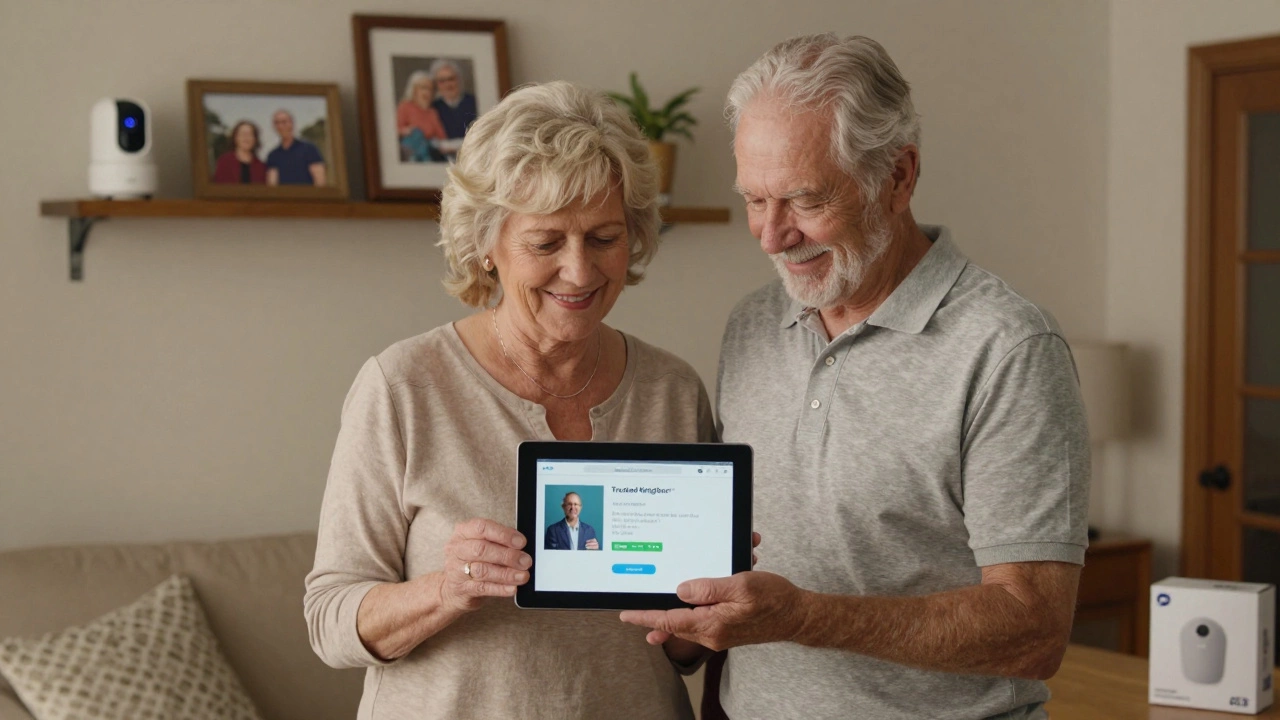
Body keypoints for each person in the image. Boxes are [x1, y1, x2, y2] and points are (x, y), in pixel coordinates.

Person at [620, 34, 1090, 720]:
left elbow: (1033, 630)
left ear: (898, 177)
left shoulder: (1008, 346)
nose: (771, 235)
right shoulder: (753, 324)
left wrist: (804, 617)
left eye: (805, 200)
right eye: (755, 199)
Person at [304, 80, 715, 720]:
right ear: (487, 247)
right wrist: (447, 589)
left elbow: (684, 651)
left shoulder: (673, 390)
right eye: (546, 242)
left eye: (603, 238)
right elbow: (329, 620)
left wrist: (710, 599)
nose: (579, 272)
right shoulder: (404, 386)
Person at [396, 70, 448, 163]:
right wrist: (406, 130)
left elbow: (442, 138)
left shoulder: (432, 112)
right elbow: (395, 130)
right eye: (424, 88)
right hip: (410, 147)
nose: (428, 92)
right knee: (417, 134)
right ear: (414, 89)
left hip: (428, 148)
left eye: (431, 89)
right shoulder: (405, 106)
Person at [265, 110, 326, 186]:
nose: (281, 126)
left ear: (291, 123)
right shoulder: (273, 155)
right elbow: (272, 184)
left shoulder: (309, 149)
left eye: (284, 122)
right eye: (277, 123)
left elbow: (320, 181)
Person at [430, 58, 479, 139]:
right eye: (442, 81)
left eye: (451, 79)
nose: (447, 85)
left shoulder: (473, 102)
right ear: (436, 85)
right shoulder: (433, 108)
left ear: (459, 80)